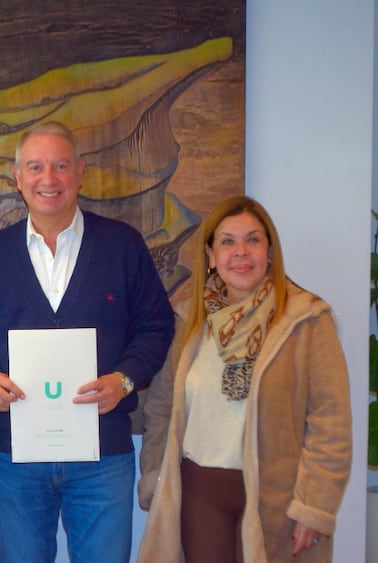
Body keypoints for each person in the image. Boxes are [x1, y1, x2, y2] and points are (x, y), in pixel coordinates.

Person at [0, 121, 174, 562]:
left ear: (80, 172)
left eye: (60, 166)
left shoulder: (123, 246)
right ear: (18, 177)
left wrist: (125, 380)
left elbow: (156, 326)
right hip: (14, 455)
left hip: (101, 455)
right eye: (35, 167)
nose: (48, 179)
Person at [137, 195, 352, 562]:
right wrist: (156, 478)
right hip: (200, 494)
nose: (241, 251)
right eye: (227, 241)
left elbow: (330, 423)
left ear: (269, 252)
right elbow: (161, 409)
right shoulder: (188, 321)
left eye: (253, 239)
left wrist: (313, 508)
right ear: (210, 255)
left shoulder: (306, 320)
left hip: (276, 497)